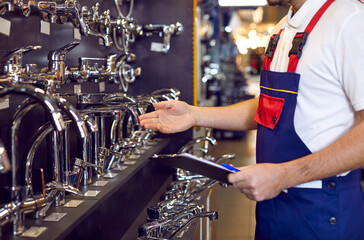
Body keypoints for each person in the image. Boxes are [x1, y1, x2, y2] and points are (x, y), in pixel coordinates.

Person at [140, 0, 364, 239]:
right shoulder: (283, 28)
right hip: (273, 207)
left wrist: (284, 176)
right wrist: (195, 114)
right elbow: (268, 106)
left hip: (323, 211)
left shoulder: (349, 19)